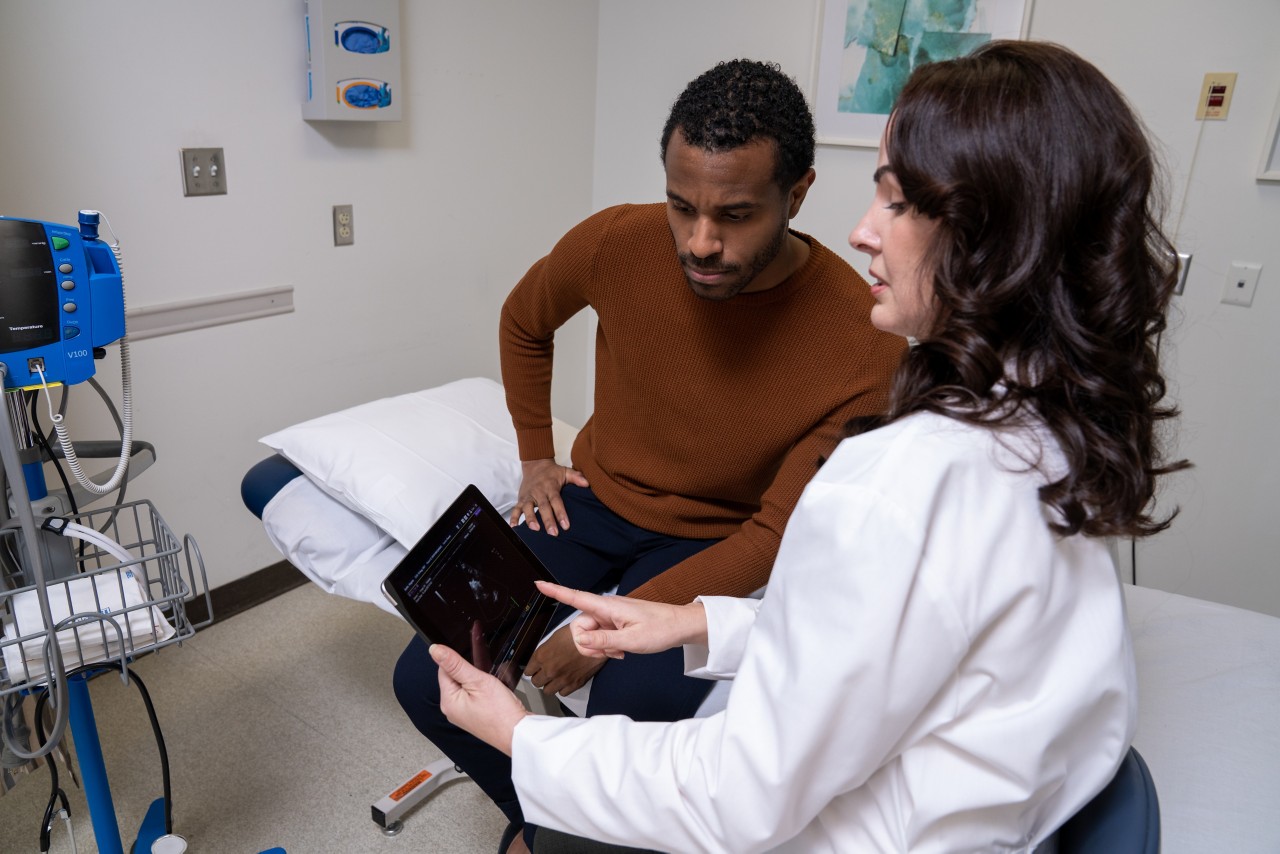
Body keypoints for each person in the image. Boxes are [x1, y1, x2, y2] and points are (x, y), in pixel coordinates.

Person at [430, 40, 1190, 853]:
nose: (864, 232)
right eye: (681, 207)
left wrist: (526, 740)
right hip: (610, 516)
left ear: (996, 238)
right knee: (433, 661)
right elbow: (884, 645)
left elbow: (740, 795)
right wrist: (696, 624)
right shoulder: (1046, 433)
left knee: (620, 748)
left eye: (897, 203)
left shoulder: (889, 481)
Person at [393, 59, 905, 851]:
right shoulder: (617, 242)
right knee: (427, 677)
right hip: (593, 501)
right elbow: (525, 321)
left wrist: (594, 636)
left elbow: (772, 537)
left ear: (796, 195)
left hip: (717, 540)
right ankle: (538, 827)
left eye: (735, 215)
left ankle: (565, 832)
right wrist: (536, 455)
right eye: (682, 207)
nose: (701, 243)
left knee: (632, 708)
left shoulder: (859, 341)